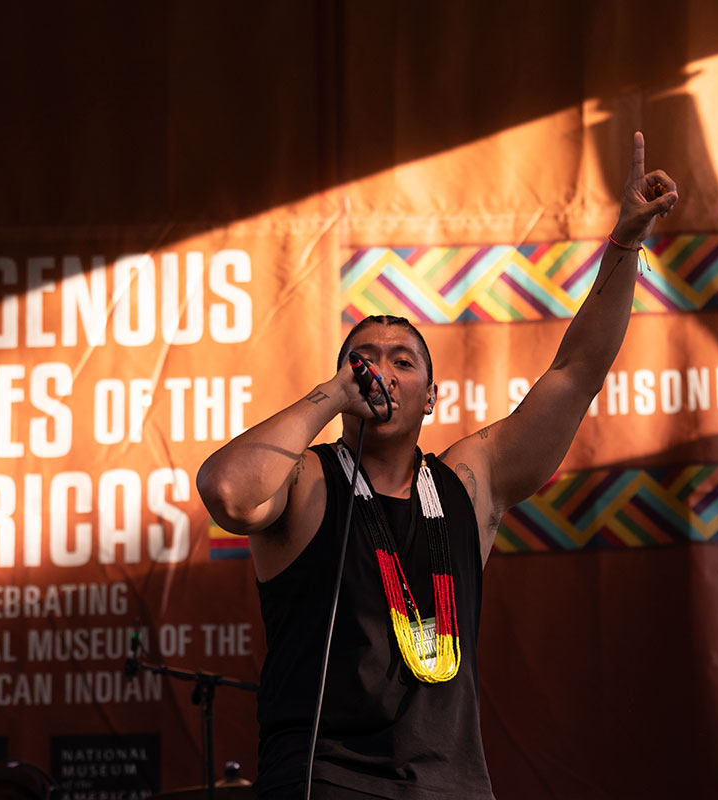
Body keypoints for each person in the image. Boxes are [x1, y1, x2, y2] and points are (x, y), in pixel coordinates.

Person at [197, 132, 678, 799]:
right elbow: (226, 491)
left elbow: (575, 374)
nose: (381, 371)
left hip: (450, 787)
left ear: (432, 396)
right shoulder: (307, 480)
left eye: (403, 361)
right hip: (322, 783)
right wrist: (333, 395)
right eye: (364, 359)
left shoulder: (469, 482)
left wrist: (624, 242)